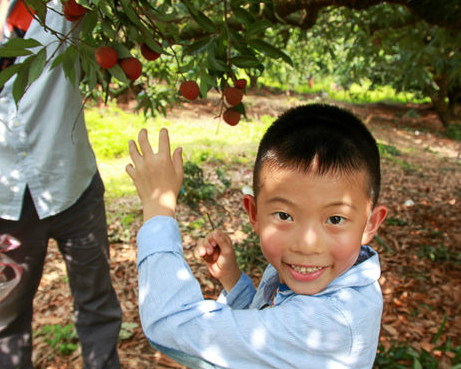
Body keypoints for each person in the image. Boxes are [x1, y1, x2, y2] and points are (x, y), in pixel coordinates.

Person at [127, 104, 388, 369]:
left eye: (335, 219)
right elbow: (264, 326)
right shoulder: (310, 273)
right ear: (254, 213)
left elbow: (170, 325)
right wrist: (233, 281)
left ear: (370, 224)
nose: (307, 244)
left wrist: (157, 205)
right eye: (285, 216)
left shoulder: (329, 326)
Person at [0, 1, 122, 368]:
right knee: (6, 319)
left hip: (73, 184)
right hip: (6, 203)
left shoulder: (52, 8)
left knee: (98, 305)